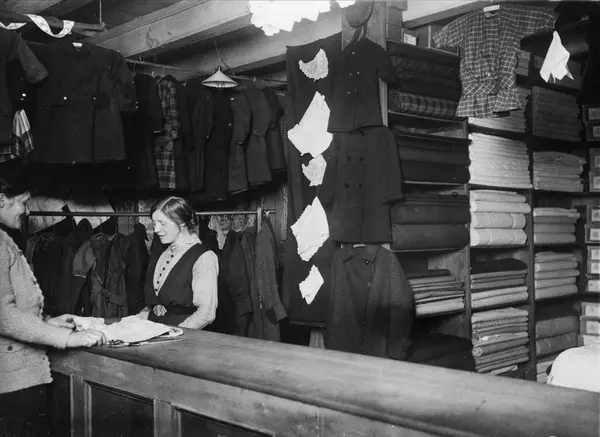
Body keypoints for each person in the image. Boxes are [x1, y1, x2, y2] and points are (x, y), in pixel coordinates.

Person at [0, 160, 107, 436]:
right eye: (23, 203)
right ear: (1, 200)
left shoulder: (4, 240)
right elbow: (4, 316)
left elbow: (14, 304)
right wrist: (66, 338)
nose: (27, 211)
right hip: (11, 383)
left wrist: (48, 320)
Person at [138, 196, 218, 329]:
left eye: (162, 223)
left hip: (183, 336)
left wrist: (175, 334)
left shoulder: (204, 257)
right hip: (153, 332)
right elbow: (156, 302)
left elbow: (206, 313)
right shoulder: (161, 253)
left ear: (181, 222)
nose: (156, 229)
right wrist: (138, 320)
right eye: (154, 223)